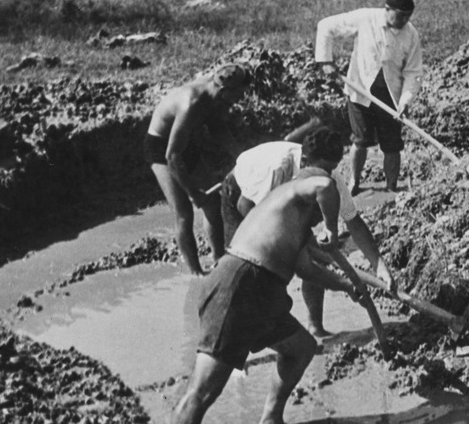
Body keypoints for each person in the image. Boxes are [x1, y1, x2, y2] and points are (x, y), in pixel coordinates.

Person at [172, 166, 363, 424]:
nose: (319, 220)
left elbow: (307, 270)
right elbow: (326, 186)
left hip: (263, 292)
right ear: (312, 200)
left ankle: (271, 419)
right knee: (202, 392)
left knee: (301, 348)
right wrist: (331, 228)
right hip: (239, 285)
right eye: (321, 212)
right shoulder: (293, 193)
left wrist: (348, 286)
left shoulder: (292, 223)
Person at [221, 120, 395, 337]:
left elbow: (354, 222)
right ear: (304, 161)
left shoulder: (329, 179)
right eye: (323, 169)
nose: (327, 175)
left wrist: (379, 265)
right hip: (241, 194)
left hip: (281, 207)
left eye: (331, 169)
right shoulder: (278, 168)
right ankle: (235, 347)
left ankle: (316, 326)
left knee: (315, 259)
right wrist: (293, 244)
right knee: (244, 272)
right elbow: (246, 207)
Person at [144, 63, 251, 275]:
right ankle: (196, 273)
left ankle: (219, 260)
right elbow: (172, 156)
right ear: (224, 91)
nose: (241, 99)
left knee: (213, 204)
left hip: (185, 144)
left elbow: (217, 127)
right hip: (161, 148)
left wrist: (243, 157)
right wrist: (193, 193)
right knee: (184, 212)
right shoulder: (191, 103)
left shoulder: (216, 95)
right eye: (239, 94)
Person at [315, 0, 423, 195]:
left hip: (391, 97)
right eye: (399, 15)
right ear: (387, 9)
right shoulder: (366, 18)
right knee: (360, 139)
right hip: (360, 91)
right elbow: (326, 26)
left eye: (407, 16)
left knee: (392, 145)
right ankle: (354, 183)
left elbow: (413, 72)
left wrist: (405, 101)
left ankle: (391, 187)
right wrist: (326, 61)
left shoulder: (411, 34)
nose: (403, 20)